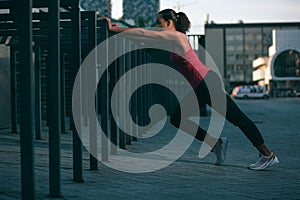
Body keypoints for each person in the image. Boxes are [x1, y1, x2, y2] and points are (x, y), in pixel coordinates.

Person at [103, 9, 279, 170]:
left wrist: (113, 29)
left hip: (207, 84)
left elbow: (143, 32)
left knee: (238, 119)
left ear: (168, 23)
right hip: (201, 87)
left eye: (159, 22)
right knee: (177, 118)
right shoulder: (171, 40)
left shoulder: (176, 37)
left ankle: (267, 154)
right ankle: (215, 142)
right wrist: (119, 31)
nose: (157, 26)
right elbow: (143, 37)